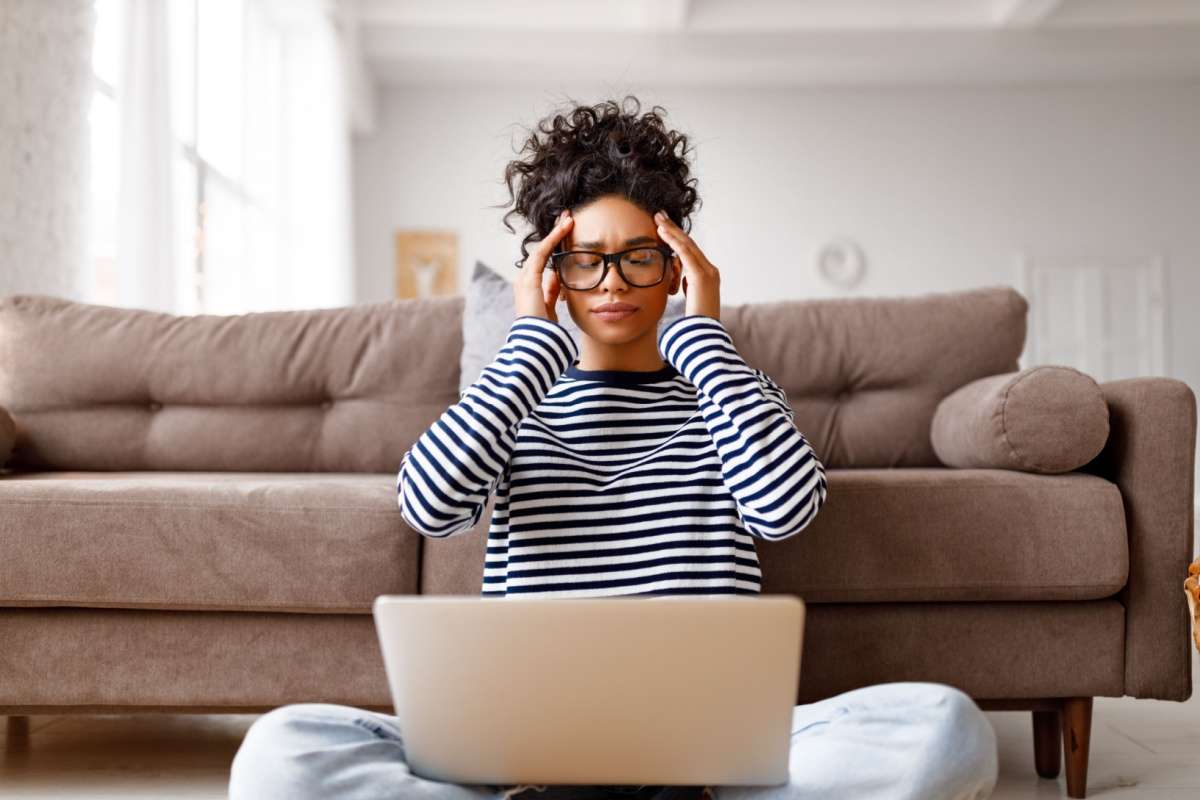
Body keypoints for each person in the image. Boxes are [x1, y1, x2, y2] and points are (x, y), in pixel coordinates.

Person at [228, 95, 998, 800]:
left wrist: (702, 339)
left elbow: (786, 513)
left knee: (947, 728)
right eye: (585, 259)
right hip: (528, 748)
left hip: (709, 755)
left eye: (638, 256)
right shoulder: (511, 399)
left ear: (674, 268)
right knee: (279, 752)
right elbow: (426, 508)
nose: (612, 283)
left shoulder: (732, 390)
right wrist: (529, 345)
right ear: (552, 274)